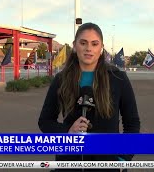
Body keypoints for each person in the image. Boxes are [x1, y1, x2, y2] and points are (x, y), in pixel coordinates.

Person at [38, 22, 140, 171]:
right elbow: (45, 121)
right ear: (74, 45)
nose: (89, 49)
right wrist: (67, 132)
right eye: (83, 43)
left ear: (101, 48)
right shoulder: (61, 79)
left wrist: (122, 159)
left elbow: (132, 123)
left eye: (94, 44)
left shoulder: (118, 78)